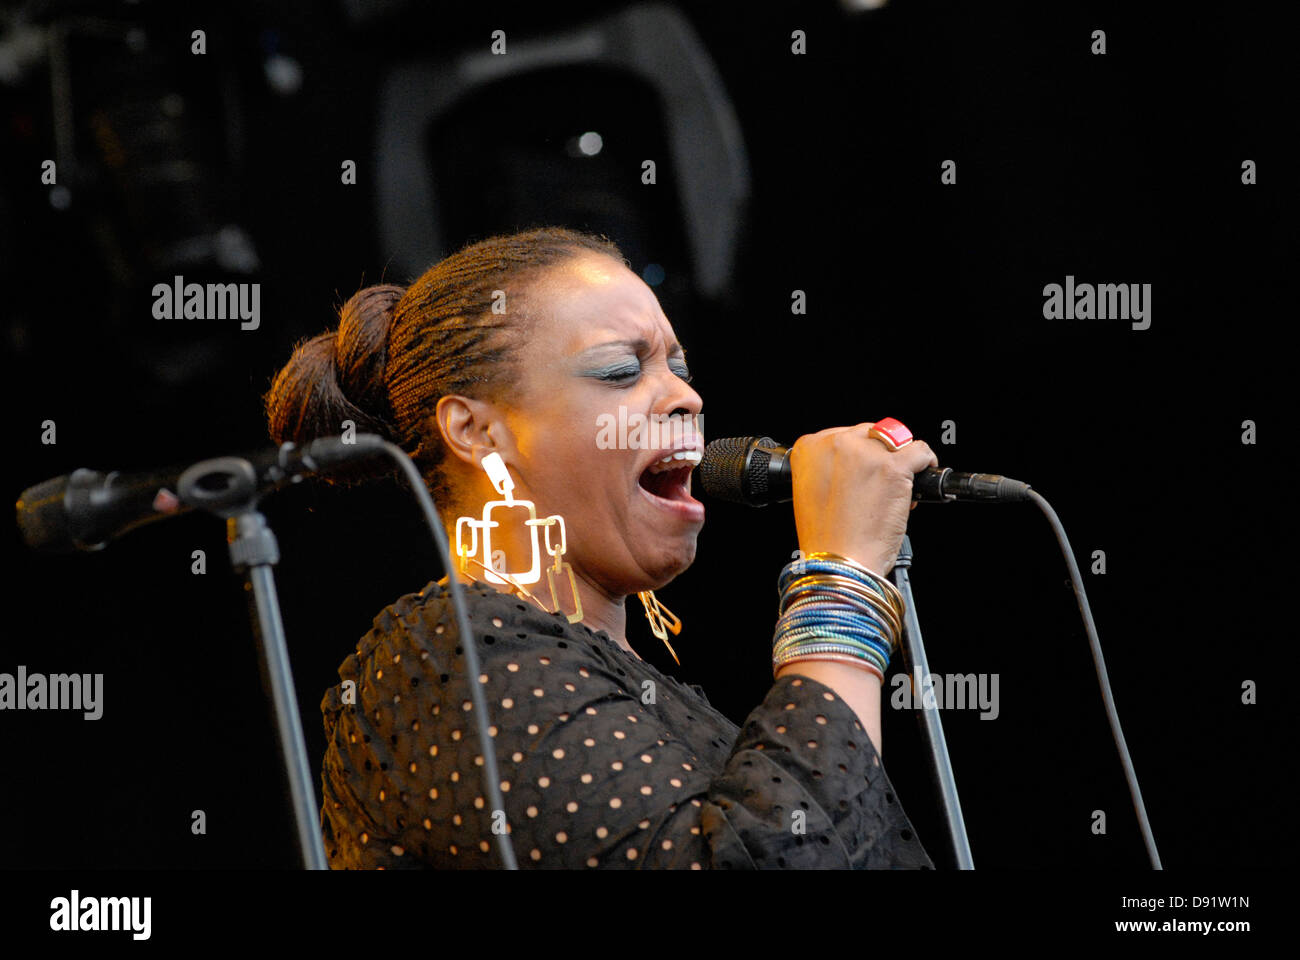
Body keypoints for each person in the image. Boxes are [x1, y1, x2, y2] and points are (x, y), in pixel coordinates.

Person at [264, 226, 940, 869]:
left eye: (680, 368)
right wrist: (841, 579)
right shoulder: (448, 655)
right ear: (476, 431)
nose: (686, 396)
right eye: (621, 370)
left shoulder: (641, 689)